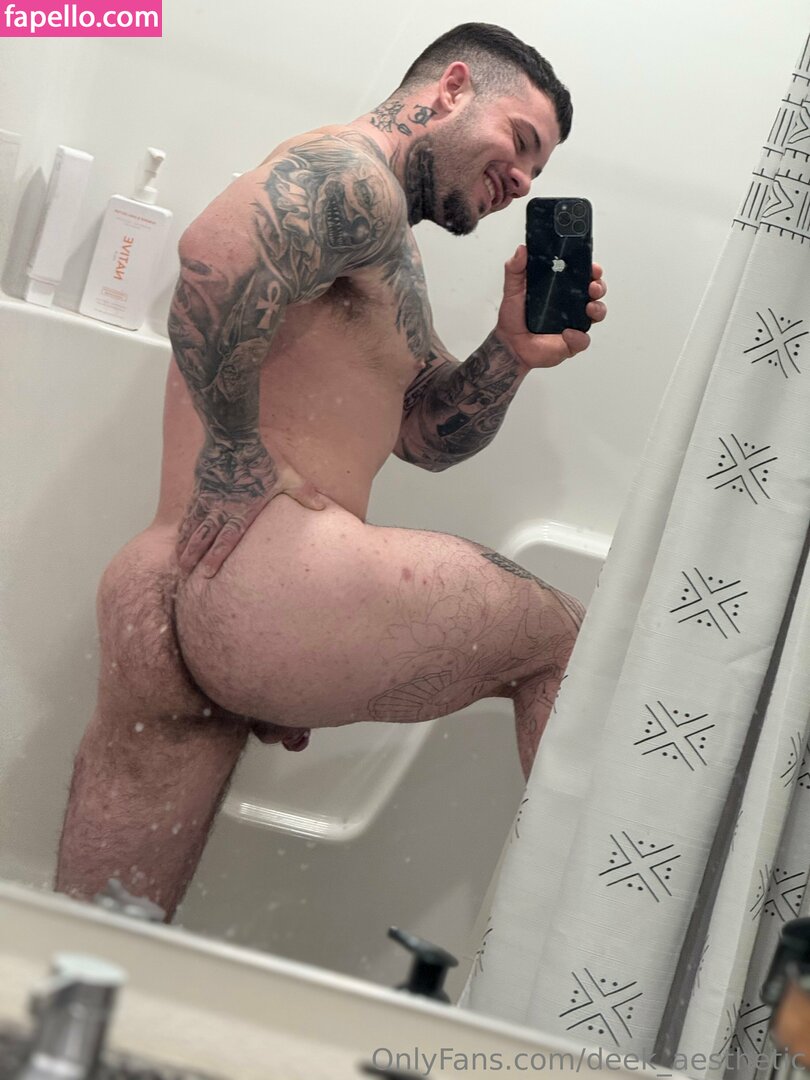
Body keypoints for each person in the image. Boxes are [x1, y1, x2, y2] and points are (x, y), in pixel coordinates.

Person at [55, 22, 607, 920]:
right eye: (520, 142)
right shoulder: (354, 176)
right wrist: (234, 456)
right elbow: (213, 255)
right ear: (453, 87)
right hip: (266, 581)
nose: (523, 181)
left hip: (159, 588)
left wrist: (510, 350)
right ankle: (582, 967)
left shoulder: (379, 238)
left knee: (100, 931)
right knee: (572, 643)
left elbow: (425, 434)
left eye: (538, 172)